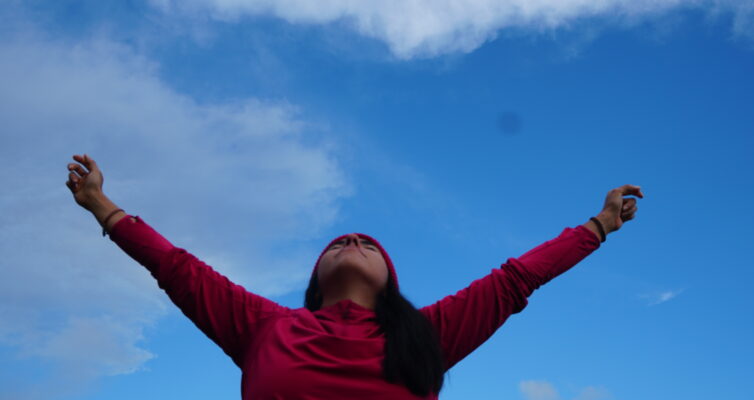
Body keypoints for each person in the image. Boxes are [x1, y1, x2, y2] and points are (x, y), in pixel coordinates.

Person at [65, 153, 642, 400]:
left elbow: (515, 280)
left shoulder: (426, 335)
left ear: (391, 280)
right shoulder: (264, 326)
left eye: (368, 243)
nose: (353, 240)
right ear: (315, 279)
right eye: (341, 241)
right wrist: (101, 205)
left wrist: (599, 225)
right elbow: (177, 269)